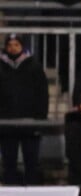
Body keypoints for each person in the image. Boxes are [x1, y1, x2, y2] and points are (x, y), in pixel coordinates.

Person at [0, 33, 48, 185]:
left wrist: (40, 121)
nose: (13, 48)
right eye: (10, 45)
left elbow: (42, 95)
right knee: (9, 164)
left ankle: (32, 195)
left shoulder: (34, 66)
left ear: (22, 46)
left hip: (30, 123)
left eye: (16, 45)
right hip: (6, 124)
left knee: (31, 163)